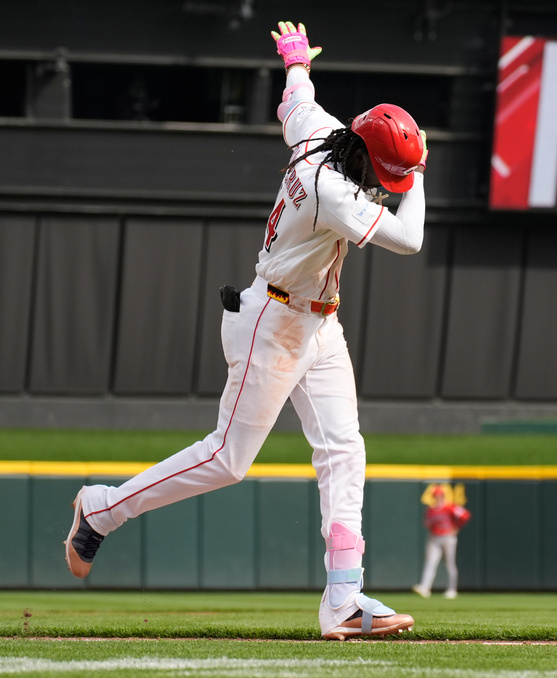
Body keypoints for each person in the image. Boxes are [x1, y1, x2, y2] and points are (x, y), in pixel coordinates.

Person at [63, 21, 428, 641]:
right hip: (275, 321)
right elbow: (410, 238)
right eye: (384, 173)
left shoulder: (324, 135)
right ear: (365, 155)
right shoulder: (332, 190)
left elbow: (296, 101)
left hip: (319, 321)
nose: (385, 184)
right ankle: (102, 509)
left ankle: (343, 597)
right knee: (228, 460)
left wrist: (293, 62)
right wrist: (418, 177)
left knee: (345, 450)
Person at [412, 484, 471, 599]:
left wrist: (456, 527)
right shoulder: (431, 510)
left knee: (450, 564)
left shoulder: (450, 507)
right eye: (436, 496)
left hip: (448, 537)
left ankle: (452, 589)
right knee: (430, 563)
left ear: (443, 496)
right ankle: (425, 588)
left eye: (439, 496)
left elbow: (465, 515)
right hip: (435, 538)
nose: (437, 498)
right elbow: (427, 523)